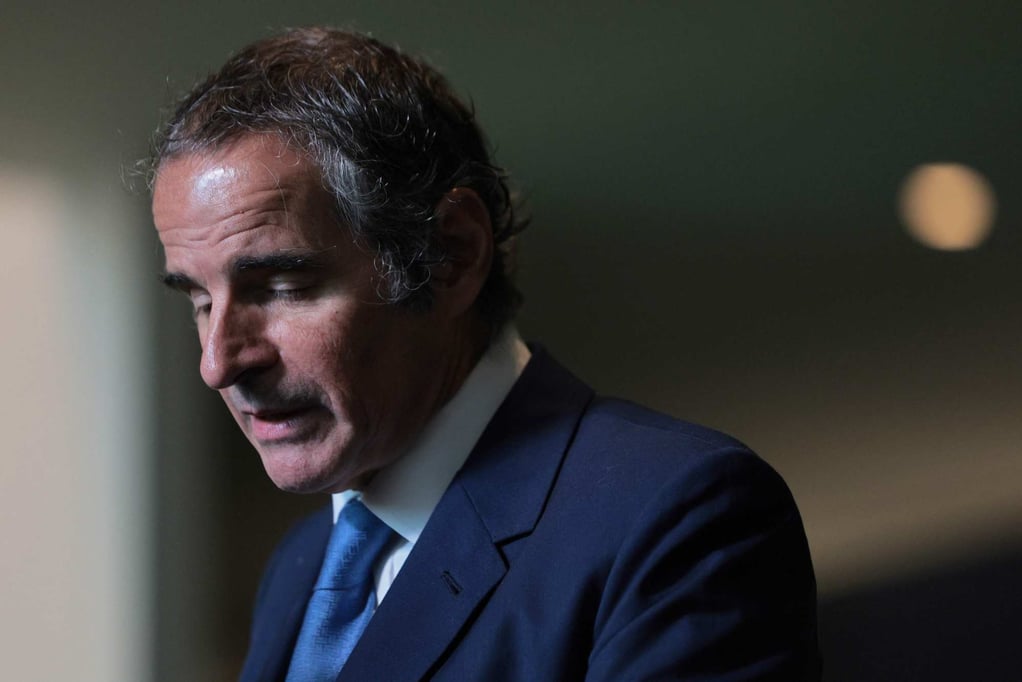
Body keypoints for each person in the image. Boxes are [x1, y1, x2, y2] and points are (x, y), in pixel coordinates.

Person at [150, 27, 821, 682]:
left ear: (452, 254)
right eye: (200, 301)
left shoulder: (675, 519)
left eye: (285, 285)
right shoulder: (301, 566)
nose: (219, 363)